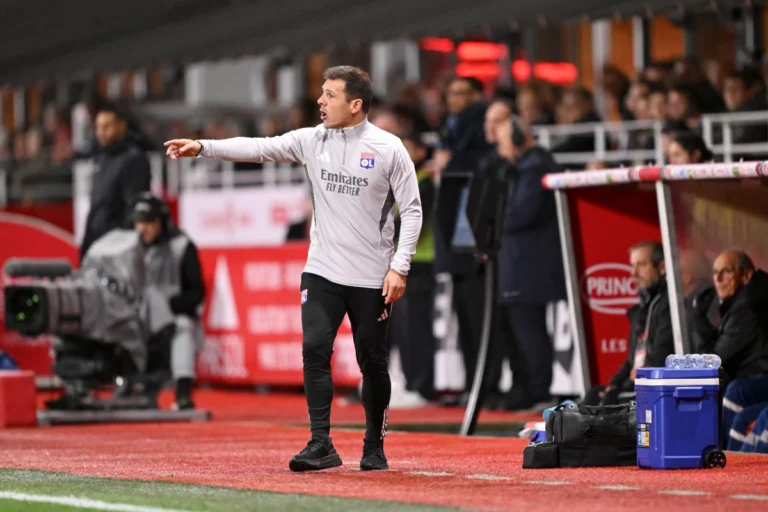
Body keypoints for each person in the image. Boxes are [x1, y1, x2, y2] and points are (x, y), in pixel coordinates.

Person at [164, 66, 422, 472]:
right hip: (321, 269)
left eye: (330, 95)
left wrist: (399, 268)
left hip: (372, 275)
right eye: (321, 92)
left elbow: (412, 210)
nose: (321, 100)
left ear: (356, 105)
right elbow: (259, 147)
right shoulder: (310, 139)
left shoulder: (389, 148)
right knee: (314, 349)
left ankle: (374, 444)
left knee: (371, 361)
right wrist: (203, 146)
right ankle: (321, 442)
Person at [491, 116, 566, 411]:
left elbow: (520, 213)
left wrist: (493, 220)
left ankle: (539, 392)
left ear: (520, 139)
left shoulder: (534, 166)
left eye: (504, 140)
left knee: (529, 329)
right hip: (520, 261)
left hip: (528, 264)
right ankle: (531, 390)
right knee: (523, 329)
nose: (500, 147)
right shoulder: (520, 167)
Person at [131, 193, 206, 410]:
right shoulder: (129, 249)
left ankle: (182, 393)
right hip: (138, 317)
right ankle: (129, 388)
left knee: (183, 327)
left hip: (173, 318)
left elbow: (197, 292)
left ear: (161, 222)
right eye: (138, 222)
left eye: (149, 222)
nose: (142, 228)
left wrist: (172, 306)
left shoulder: (181, 246)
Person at [582, 241, 674, 406]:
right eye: (632, 266)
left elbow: (663, 351)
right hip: (635, 382)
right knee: (595, 394)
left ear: (661, 267)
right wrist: (615, 382)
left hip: (657, 385)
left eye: (641, 265)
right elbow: (633, 359)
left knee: (608, 402)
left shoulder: (669, 304)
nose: (634, 273)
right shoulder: (642, 308)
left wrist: (643, 370)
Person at [80, 103, 151, 259]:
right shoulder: (101, 159)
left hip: (117, 249)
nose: (101, 133)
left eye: (107, 127)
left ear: (122, 126)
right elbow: (96, 207)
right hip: (96, 246)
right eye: (98, 127)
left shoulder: (134, 159)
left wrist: (121, 246)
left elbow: (134, 208)